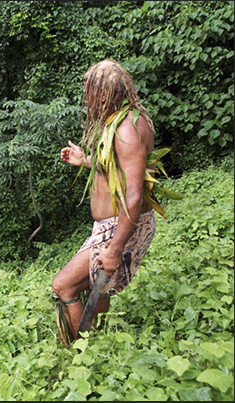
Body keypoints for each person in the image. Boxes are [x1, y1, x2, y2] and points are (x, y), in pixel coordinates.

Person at [52, 59, 158, 347]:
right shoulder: (120, 123)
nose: (86, 97)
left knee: (63, 285)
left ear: (104, 92)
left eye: (89, 90)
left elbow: (133, 195)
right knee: (101, 289)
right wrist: (86, 160)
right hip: (110, 226)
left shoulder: (126, 131)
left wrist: (115, 249)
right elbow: (118, 171)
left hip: (119, 227)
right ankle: (95, 350)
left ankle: (77, 353)